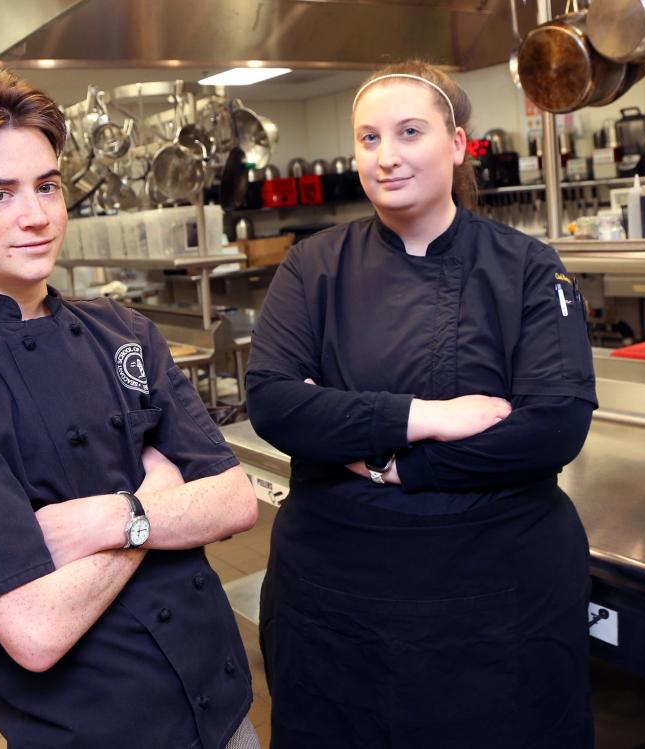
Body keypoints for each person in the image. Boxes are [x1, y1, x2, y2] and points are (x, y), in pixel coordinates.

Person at [0, 71, 261, 748]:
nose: (37, 214)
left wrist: (113, 517)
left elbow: (234, 500)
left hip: (223, 711)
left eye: (47, 185)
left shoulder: (124, 331)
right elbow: (38, 630)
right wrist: (155, 505)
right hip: (97, 731)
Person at [247, 60, 597, 748]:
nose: (387, 156)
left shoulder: (527, 266)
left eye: (410, 132)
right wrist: (423, 418)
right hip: (339, 602)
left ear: (458, 142)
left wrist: (399, 467)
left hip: (499, 602)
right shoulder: (312, 266)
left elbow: (554, 424)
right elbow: (276, 403)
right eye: (369, 138)